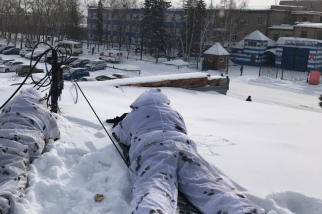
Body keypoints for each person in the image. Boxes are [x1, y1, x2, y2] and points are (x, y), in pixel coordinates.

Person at [110, 88, 264, 214]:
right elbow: (183, 130)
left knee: (155, 184)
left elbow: (120, 134)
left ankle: (152, 210)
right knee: (207, 183)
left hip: (152, 149)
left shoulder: (134, 115)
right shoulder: (175, 113)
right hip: (184, 149)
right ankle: (242, 210)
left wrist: (123, 122)